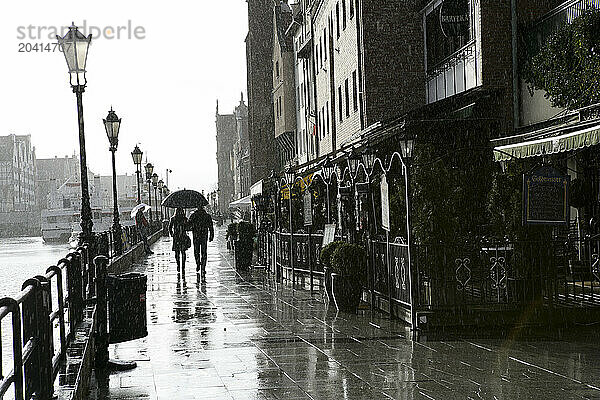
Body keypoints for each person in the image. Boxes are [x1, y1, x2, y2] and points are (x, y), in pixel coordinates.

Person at [187, 205, 214, 281]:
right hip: (204, 236)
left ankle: (198, 263)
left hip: (196, 235)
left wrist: (191, 226)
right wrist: (211, 235)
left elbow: (188, 225)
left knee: (196, 251)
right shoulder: (207, 216)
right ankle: (203, 267)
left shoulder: (193, 215)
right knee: (204, 252)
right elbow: (211, 227)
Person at [169, 207, 190, 276]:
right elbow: (188, 227)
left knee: (177, 252)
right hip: (183, 236)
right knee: (183, 252)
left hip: (176, 237)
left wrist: (172, 233)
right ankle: (182, 266)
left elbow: (170, 227)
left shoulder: (173, 218)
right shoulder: (184, 219)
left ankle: (178, 264)